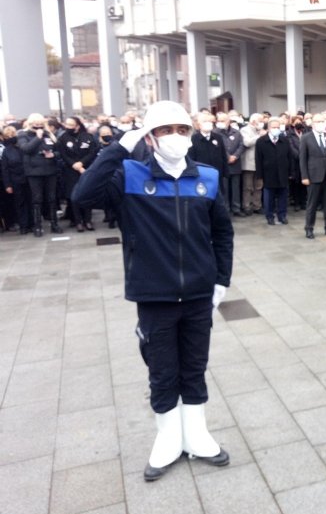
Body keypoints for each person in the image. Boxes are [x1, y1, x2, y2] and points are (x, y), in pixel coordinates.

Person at [72, 101, 233, 481]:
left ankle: (196, 435)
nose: (175, 137)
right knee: (162, 371)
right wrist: (117, 148)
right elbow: (82, 196)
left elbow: (222, 233)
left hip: (198, 294)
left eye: (181, 129)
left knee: (194, 367)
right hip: (155, 295)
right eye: (164, 131)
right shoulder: (129, 174)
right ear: (149, 138)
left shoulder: (206, 177)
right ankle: (167, 439)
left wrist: (221, 280)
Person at [18, 113, 62, 237]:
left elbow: (59, 150)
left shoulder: (49, 135)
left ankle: (54, 224)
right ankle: (37, 226)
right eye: (35, 124)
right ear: (30, 124)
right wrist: (37, 138)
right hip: (34, 172)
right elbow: (26, 149)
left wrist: (54, 155)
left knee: (52, 198)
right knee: (37, 199)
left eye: (40, 124)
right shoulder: (23, 135)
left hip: (50, 170)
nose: (38, 126)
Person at [299, 113, 326, 239]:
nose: (321, 123)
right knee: (312, 204)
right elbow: (303, 159)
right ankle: (309, 228)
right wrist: (304, 176)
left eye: (322, 121)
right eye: (318, 121)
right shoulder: (306, 138)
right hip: (313, 175)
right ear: (312, 124)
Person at [57, 116, 98, 231]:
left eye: (71, 125)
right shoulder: (63, 138)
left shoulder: (87, 137)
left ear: (77, 126)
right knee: (73, 196)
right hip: (70, 171)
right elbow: (63, 155)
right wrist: (74, 164)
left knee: (87, 193)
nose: (68, 127)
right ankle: (78, 221)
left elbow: (92, 152)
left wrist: (82, 163)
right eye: (67, 124)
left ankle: (88, 220)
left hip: (86, 169)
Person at [255, 118, 290, 225]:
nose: (276, 129)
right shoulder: (261, 141)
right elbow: (258, 159)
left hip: (282, 172)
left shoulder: (284, 140)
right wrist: (260, 175)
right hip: (268, 173)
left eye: (278, 127)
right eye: (274, 127)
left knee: (283, 196)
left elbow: (289, 157)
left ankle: (282, 215)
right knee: (269, 197)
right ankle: (269, 216)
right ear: (269, 128)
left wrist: (290, 172)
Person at [1, 126, 30, 234]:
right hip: (16, 180)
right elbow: (5, 169)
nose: (10, 137)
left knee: (28, 202)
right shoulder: (6, 151)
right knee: (20, 203)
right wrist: (7, 185)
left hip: (25, 178)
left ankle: (29, 223)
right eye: (8, 136)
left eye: (12, 135)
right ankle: (24, 225)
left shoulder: (21, 148)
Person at [240, 113, 264, 216]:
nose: (262, 123)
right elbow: (247, 142)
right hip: (249, 163)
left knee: (258, 186)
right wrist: (259, 136)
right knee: (248, 187)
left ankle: (257, 206)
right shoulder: (245, 130)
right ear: (254, 121)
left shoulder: (261, 130)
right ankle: (247, 206)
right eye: (260, 121)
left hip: (260, 162)